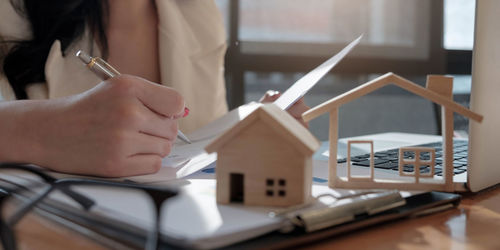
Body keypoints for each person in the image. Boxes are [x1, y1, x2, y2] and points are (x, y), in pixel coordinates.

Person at [0, 0, 309, 177]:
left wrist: (244, 136)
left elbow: (197, 137)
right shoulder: (9, 12)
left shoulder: (197, 13)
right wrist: (44, 131)